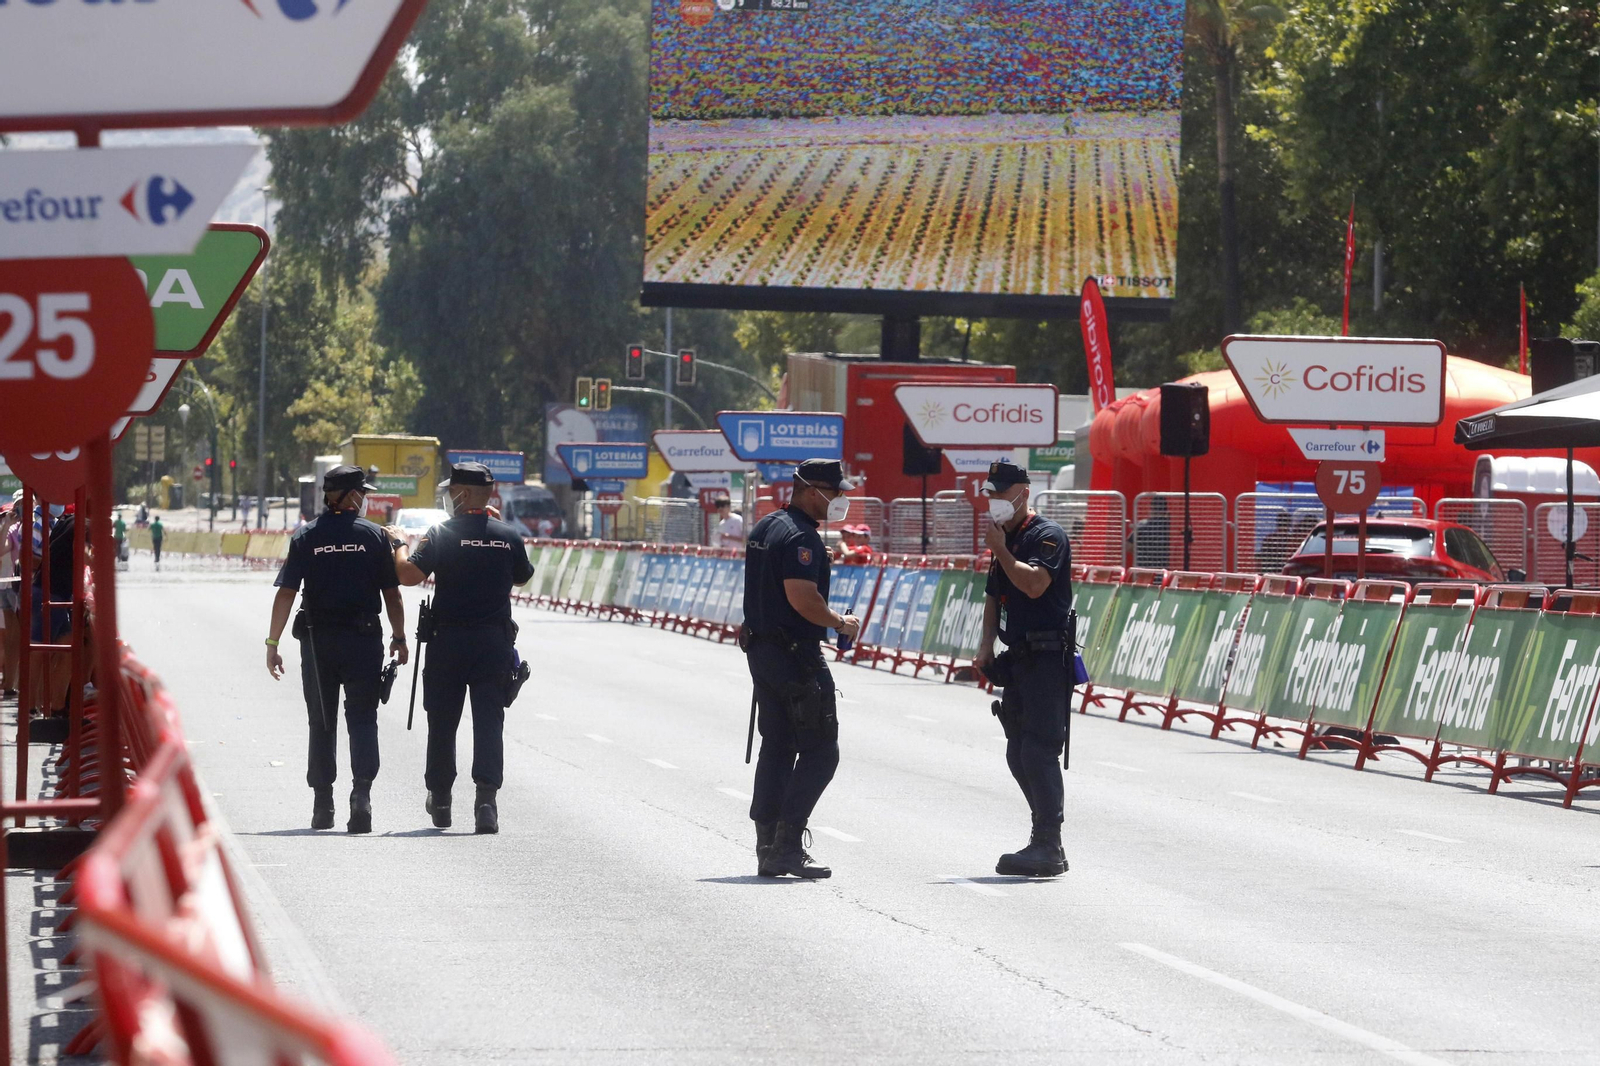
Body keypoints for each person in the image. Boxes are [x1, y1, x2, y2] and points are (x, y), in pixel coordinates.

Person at [391, 462, 534, 835]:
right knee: (489, 721)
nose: (448, 496)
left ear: (464, 494)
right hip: (493, 643)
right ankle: (486, 802)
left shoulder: (441, 534)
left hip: (448, 642)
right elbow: (522, 576)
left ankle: (440, 799)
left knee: (442, 722)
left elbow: (407, 576)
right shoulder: (509, 536)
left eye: (452, 490)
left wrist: (399, 546)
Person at [265, 466, 408, 833]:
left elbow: (286, 592)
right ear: (348, 496)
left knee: (322, 721)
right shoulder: (375, 537)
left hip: (318, 644)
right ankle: (361, 797)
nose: (365, 499)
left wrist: (273, 642)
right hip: (363, 641)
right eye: (361, 493)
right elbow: (392, 594)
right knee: (362, 719)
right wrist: (399, 636)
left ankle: (322, 805)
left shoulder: (306, 536)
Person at [739, 458, 860, 879]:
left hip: (764, 652)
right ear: (813, 490)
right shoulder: (800, 537)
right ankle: (787, 845)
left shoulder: (769, 526)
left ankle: (767, 846)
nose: (841, 500)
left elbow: (772, 579)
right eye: (836, 491)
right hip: (795, 656)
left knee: (777, 747)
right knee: (821, 751)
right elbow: (802, 598)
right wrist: (840, 622)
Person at [973, 461, 1073, 878]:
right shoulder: (1006, 539)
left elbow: (1033, 584)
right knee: (1017, 751)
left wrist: (1001, 550)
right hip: (1018, 660)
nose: (995, 501)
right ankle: (1042, 835)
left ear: (1023, 492)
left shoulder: (1045, 536)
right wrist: (984, 647)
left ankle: (1049, 844)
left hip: (1048, 659)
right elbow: (995, 597)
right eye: (991, 494)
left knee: (1038, 750)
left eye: (1001, 492)